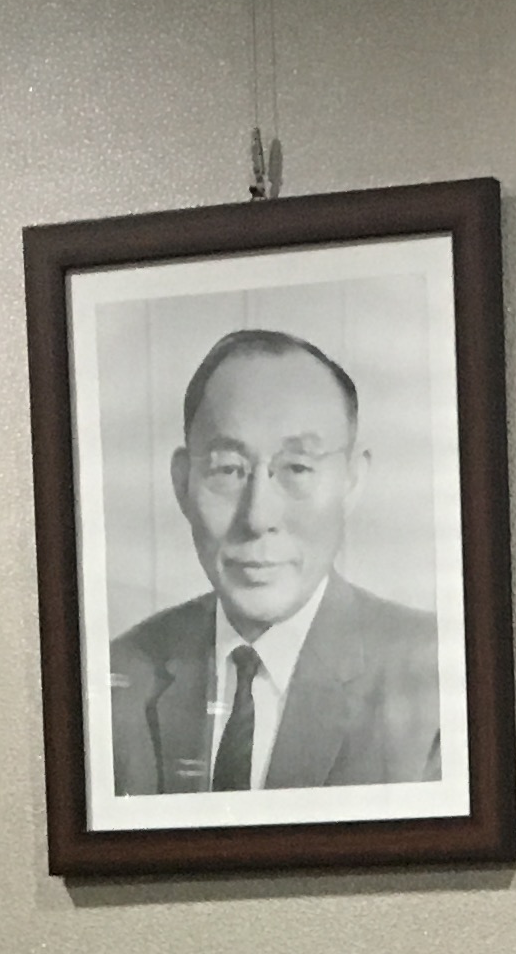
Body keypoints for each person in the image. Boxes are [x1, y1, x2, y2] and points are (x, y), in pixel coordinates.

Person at [107, 327, 438, 798]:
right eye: (227, 469)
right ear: (183, 482)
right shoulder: (118, 680)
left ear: (351, 481)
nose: (258, 517)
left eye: (297, 468)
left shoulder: (436, 680)